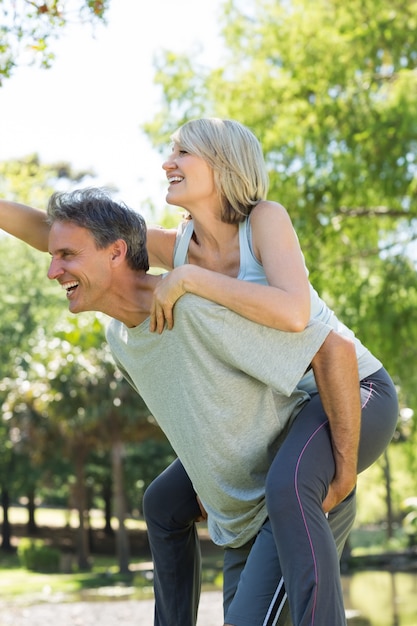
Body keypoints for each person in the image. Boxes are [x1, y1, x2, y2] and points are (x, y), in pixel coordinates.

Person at [0, 118, 398, 623]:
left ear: (223, 163)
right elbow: (67, 235)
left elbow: (300, 317)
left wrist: (191, 280)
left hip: (349, 390)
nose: (167, 162)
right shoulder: (177, 246)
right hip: (280, 405)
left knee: (287, 486)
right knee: (164, 501)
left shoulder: (263, 222)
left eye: (182, 152)